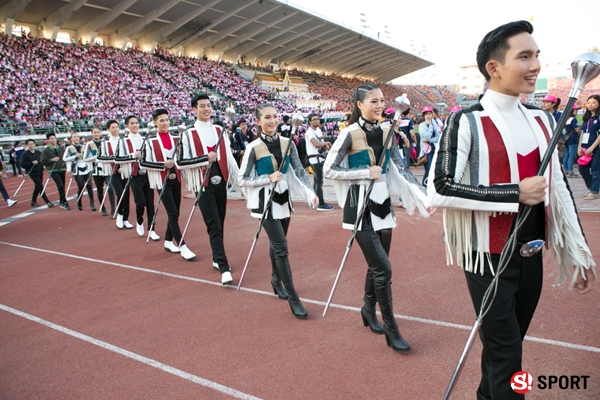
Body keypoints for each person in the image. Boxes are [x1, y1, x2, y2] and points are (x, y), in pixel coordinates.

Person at [427, 21, 595, 400]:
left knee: (507, 346)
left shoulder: (542, 118)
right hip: (487, 257)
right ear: (494, 67)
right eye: (524, 56)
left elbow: (559, 188)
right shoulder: (465, 120)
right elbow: (439, 188)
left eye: (536, 55)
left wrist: (578, 251)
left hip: (531, 253)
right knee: (508, 354)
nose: (535, 65)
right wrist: (513, 193)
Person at [324, 83, 430, 353]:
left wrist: (423, 196)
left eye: (382, 101)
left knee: (377, 266)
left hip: (383, 206)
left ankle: (368, 309)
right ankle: (391, 328)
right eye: (373, 101)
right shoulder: (349, 133)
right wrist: (362, 173)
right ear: (359, 104)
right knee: (383, 269)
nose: (379, 105)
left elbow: (400, 167)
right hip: (358, 209)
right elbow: (330, 169)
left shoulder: (387, 130)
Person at [238, 103, 318, 318]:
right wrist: (267, 178)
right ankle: (293, 296)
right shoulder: (254, 147)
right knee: (282, 246)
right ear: (258, 121)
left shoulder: (287, 143)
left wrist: (310, 193)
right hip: (264, 204)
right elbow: (242, 179)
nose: (272, 121)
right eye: (267, 117)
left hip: (284, 201)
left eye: (275, 116)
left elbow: (299, 171)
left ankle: (275, 279)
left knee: (277, 244)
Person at [178, 94, 240, 284]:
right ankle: (223, 265)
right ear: (194, 110)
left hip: (220, 181)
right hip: (201, 184)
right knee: (213, 223)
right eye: (202, 106)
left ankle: (216, 256)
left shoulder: (220, 129)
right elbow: (181, 162)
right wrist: (205, 158)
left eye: (208, 106)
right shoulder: (187, 134)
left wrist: (239, 181)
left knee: (219, 222)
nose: (206, 109)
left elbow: (229, 157)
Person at [141, 108, 195, 261]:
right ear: (155, 122)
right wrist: (162, 165)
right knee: (172, 213)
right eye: (161, 120)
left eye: (166, 119)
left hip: (176, 179)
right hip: (161, 180)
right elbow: (143, 162)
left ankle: (167, 240)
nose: (165, 123)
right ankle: (182, 246)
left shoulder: (177, 139)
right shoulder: (150, 141)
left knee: (176, 213)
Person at [122, 115, 159, 240]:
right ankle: (139, 221)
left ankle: (151, 228)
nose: (135, 125)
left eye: (136, 123)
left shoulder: (145, 139)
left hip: (147, 174)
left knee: (150, 203)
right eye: (132, 123)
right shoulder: (124, 142)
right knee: (140, 203)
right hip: (135, 175)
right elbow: (118, 159)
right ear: (127, 126)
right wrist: (133, 155)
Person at [305, 112, 334, 211]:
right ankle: (321, 203)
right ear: (309, 122)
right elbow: (316, 144)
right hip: (314, 159)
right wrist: (326, 142)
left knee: (317, 180)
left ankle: (314, 199)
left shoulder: (318, 130)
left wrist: (324, 144)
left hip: (319, 157)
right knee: (319, 180)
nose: (317, 120)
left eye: (317, 118)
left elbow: (319, 142)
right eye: (314, 119)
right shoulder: (309, 132)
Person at [63, 132, 96, 211]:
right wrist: (74, 156)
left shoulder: (84, 146)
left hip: (86, 167)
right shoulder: (69, 148)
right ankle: (79, 202)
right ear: (71, 139)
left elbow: (90, 155)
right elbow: (64, 158)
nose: (76, 138)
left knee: (89, 186)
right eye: (74, 137)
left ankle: (92, 204)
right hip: (77, 169)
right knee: (81, 187)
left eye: (77, 137)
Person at [578, 94, 600, 200]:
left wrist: (592, 147)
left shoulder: (598, 118)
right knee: (582, 168)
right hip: (585, 148)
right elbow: (583, 133)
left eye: (594, 103)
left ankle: (594, 191)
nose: (590, 105)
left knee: (595, 169)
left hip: (596, 148)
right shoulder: (587, 118)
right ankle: (591, 188)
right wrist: (579, 146)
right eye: (589, 103)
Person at [20, 139, 54, 208]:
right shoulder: (25, 154)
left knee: (37, 187)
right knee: (40, 186)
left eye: (32, 143)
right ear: (27, 145)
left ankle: (33, 201)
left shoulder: (38, 153)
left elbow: (43, 160)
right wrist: (31, 163)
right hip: (32, 172)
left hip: (40, 172)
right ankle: (47, 202)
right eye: (30, 144)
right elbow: (22, 164)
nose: (32, 145)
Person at [41, 133, 70, 210]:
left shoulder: (61, 148)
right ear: (48, 140)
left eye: (54, 138)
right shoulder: (46, 151)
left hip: (62, 169)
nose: (53, 140)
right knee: (60, 185)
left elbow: (65, 157)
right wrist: (52, 160)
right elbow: (43, 161)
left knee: (62, 185)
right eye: (51, 138)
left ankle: (62, 200)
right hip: (53, 170)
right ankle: (63, 201)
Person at [418, 106, 440, 186]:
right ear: (423, 116)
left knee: (433, 170)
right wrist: (430, 126)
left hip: (434, 148)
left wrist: (430, 140)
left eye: (430, 114)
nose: (428, 116)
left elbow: (438, 137)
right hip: (426, 151)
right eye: (426, 114)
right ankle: (425, 186)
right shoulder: (422, 126)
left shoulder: (434, 124)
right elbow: (427, 136)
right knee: (428, 170)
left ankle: (430, 186)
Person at [563, 105, 581, 178]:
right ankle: (570, 171)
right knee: (572, 156)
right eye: (575, 110)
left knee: (566, 155)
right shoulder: (573, 119)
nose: (576, 112)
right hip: (572, 139)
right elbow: (576, 129)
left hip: (566, 139)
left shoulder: (565, 119)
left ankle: (566, 170)